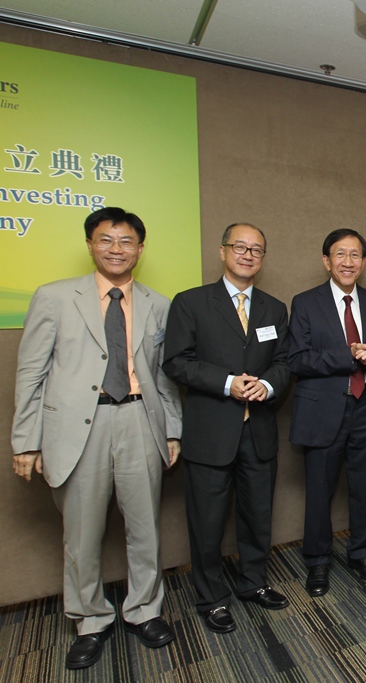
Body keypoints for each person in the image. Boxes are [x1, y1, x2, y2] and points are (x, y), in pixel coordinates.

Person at [11, 207, 182, 670]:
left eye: (126, 242)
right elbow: (31, 372)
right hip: (76, 429)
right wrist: (26, 440)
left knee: (144, 528)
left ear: (140, 249)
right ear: (90, 244)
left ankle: (144, 610)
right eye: (106, 240)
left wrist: (171, 430)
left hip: (139, 423)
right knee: (81, 535)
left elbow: (164, 377)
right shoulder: (55, 297)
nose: (116, 249)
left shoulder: (158, 303)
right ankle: (90, 619)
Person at [163, 223, 291, 633]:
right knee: (208, 522)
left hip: (258, 432)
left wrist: (268, 384)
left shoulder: (274, 308)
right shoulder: (191, 302)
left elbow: (285, 362)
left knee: (257, 516)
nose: (248, 254)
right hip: (210, 434)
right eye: (240, 247)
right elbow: (176, 362)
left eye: (257, 249)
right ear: (223, 252)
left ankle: (253, 583)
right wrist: (226, 382)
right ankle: (212, 597)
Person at [288, 228, 366, 595]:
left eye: (355, 255)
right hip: (323, 412)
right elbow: (298, 360)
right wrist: (348, 354)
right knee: (319, 490)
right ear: (326, 261)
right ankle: (318, 562)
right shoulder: (305, 303)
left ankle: (361, 552)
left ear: (363, 262)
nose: (348, 262)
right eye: (340, 254)